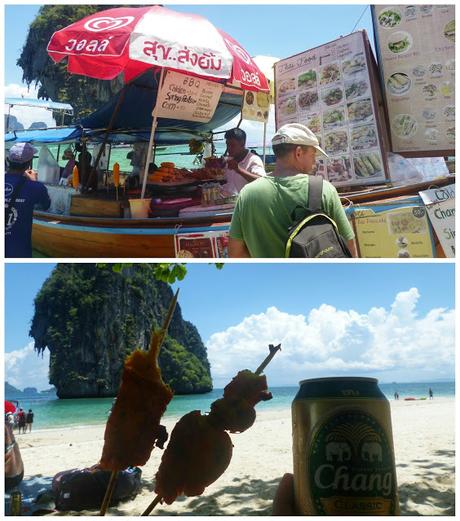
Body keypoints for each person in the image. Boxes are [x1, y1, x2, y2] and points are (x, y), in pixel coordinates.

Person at [229, 123, 357, 258]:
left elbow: (235, 253)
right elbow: (348, 246)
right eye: (313, 155)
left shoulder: (247, 194)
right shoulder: (324, 190)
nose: (314, 161)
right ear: (299, 152)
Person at [5, 143, 51, 257]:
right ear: (29, 164)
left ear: (7, 160)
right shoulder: (36, 188)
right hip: (19, 251)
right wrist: (34, 182)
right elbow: (46, 205)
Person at [222, 128, 266, 195]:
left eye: (232, 145)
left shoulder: (253, 159)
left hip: (247, 204)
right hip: (229, 203)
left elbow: (263, 182)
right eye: (227, 145)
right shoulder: (230, 160)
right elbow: (227, 182)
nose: (228, 149)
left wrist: (238, 170)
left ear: (242, 144)